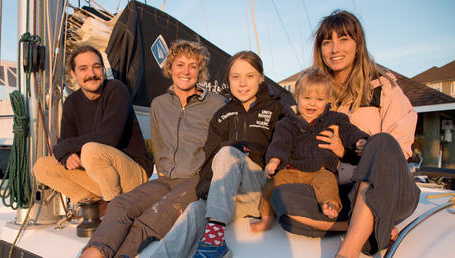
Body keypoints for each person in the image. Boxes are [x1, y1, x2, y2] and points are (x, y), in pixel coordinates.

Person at [269, 10, 420, 257]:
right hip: (339, 192)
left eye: (344, 39)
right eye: (327, 42)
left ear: (358, 43)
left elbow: (398, 150)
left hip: (388, 189)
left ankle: (347, 250)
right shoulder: (314, 94)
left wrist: (347, 152)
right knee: (282, 199)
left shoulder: (384, 88)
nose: (335, 48)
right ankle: (366, 227)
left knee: (382, 142)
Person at [79, 40, 225, 258]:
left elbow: (224, 147)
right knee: (120, 204)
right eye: (180, 64)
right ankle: (92, 254)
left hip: (196, 179)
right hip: (165, 178)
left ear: (200, 71)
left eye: (193, 66)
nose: (186, 71)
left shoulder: (216, 104)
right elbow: (158, 142)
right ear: (170, 68)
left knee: (154, 215)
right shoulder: (159, 104)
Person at [151, 50, 284, 258]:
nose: (242, 83)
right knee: (195, 208)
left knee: (228, 152)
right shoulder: (222, 115)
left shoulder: (277, 110)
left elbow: (285, 147)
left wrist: (242, 151)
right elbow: (210, 160)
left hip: (261, 190)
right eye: (235, 77)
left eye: (249, 76)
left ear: (261, 77)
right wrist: (206, 192)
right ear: (228, 80)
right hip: (230, 198)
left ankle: (213, 242)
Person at [251, 67, 369, 233]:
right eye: (307, 98)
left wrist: (361, 140)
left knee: (328, 184)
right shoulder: (287, 123)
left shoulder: (334, 119)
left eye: (319, 99)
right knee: (271, 186)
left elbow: (350, 131)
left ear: (327, 100)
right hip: (292, 170)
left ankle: (331, 204)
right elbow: (280, 143)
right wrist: (274, 159)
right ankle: (266, 220)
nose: (312, 103)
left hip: (320, 170)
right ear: (297, 97)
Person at [33, 45, 152, 205]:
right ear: (74, 74)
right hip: (98, 174)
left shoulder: (116, 90)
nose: (92, 74)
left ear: (103, 70)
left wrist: (63, 147)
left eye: (97, 67)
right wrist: (66, 156)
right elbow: (66, 140)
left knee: (91, 150)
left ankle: (116, 211)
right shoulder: (72, 102)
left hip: (134, 174)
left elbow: (109, 138)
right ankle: (94, 206)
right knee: (42, 167)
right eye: (83, 69)